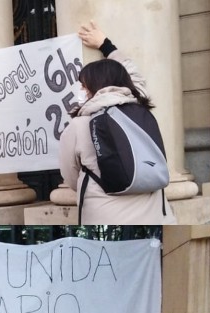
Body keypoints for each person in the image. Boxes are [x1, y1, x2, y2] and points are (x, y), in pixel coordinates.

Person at [59, 21, 176, 225]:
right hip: (157, 215)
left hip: (105, 214)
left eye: (84, 86)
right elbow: (135, 76)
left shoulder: (78, 126)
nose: (82, 91)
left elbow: (70, 176)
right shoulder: (138, 107)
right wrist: (106, 45)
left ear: (91, 88)